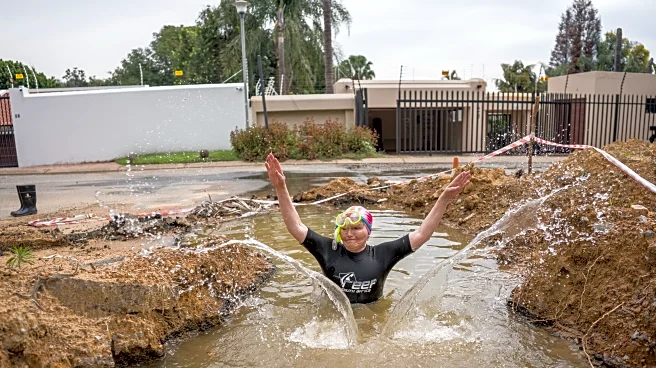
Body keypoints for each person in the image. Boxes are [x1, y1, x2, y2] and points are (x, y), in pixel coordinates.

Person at [265, 153, 471, 304]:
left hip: (373, 313)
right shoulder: (329, 250)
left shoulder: (383, 254)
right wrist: (280, 188)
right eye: (344, 228)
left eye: (356, 228)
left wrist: (443, 199)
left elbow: (421, 234)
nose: (349, 233)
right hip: (335, 317)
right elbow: (296, 226)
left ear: (369, 231)